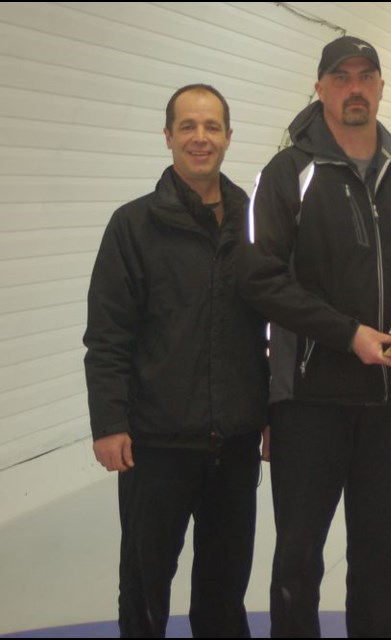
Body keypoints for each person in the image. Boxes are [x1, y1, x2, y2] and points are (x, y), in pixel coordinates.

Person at [239, 35, 391, 637]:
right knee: (299, 560)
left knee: (387, 560)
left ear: (381, 86)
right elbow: (260, 279)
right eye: (341, 77)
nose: (355, 88)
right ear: (320, 88)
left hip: (389, 398)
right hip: (309, 400)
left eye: (366, 76)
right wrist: (345, 333)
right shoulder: (287, 173)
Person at [83, 84, 269, 638]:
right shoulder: (132, 227)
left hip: (233, 443)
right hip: (155, 444)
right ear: (167, 136)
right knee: (144, 587)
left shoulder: (256, 226)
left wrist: (271, 414)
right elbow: (108, 335)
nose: (200, 138)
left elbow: (279, 325)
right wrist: (110, 423)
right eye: (187, 126)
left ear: (229, 137)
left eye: (212, 127)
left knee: (223, 590)